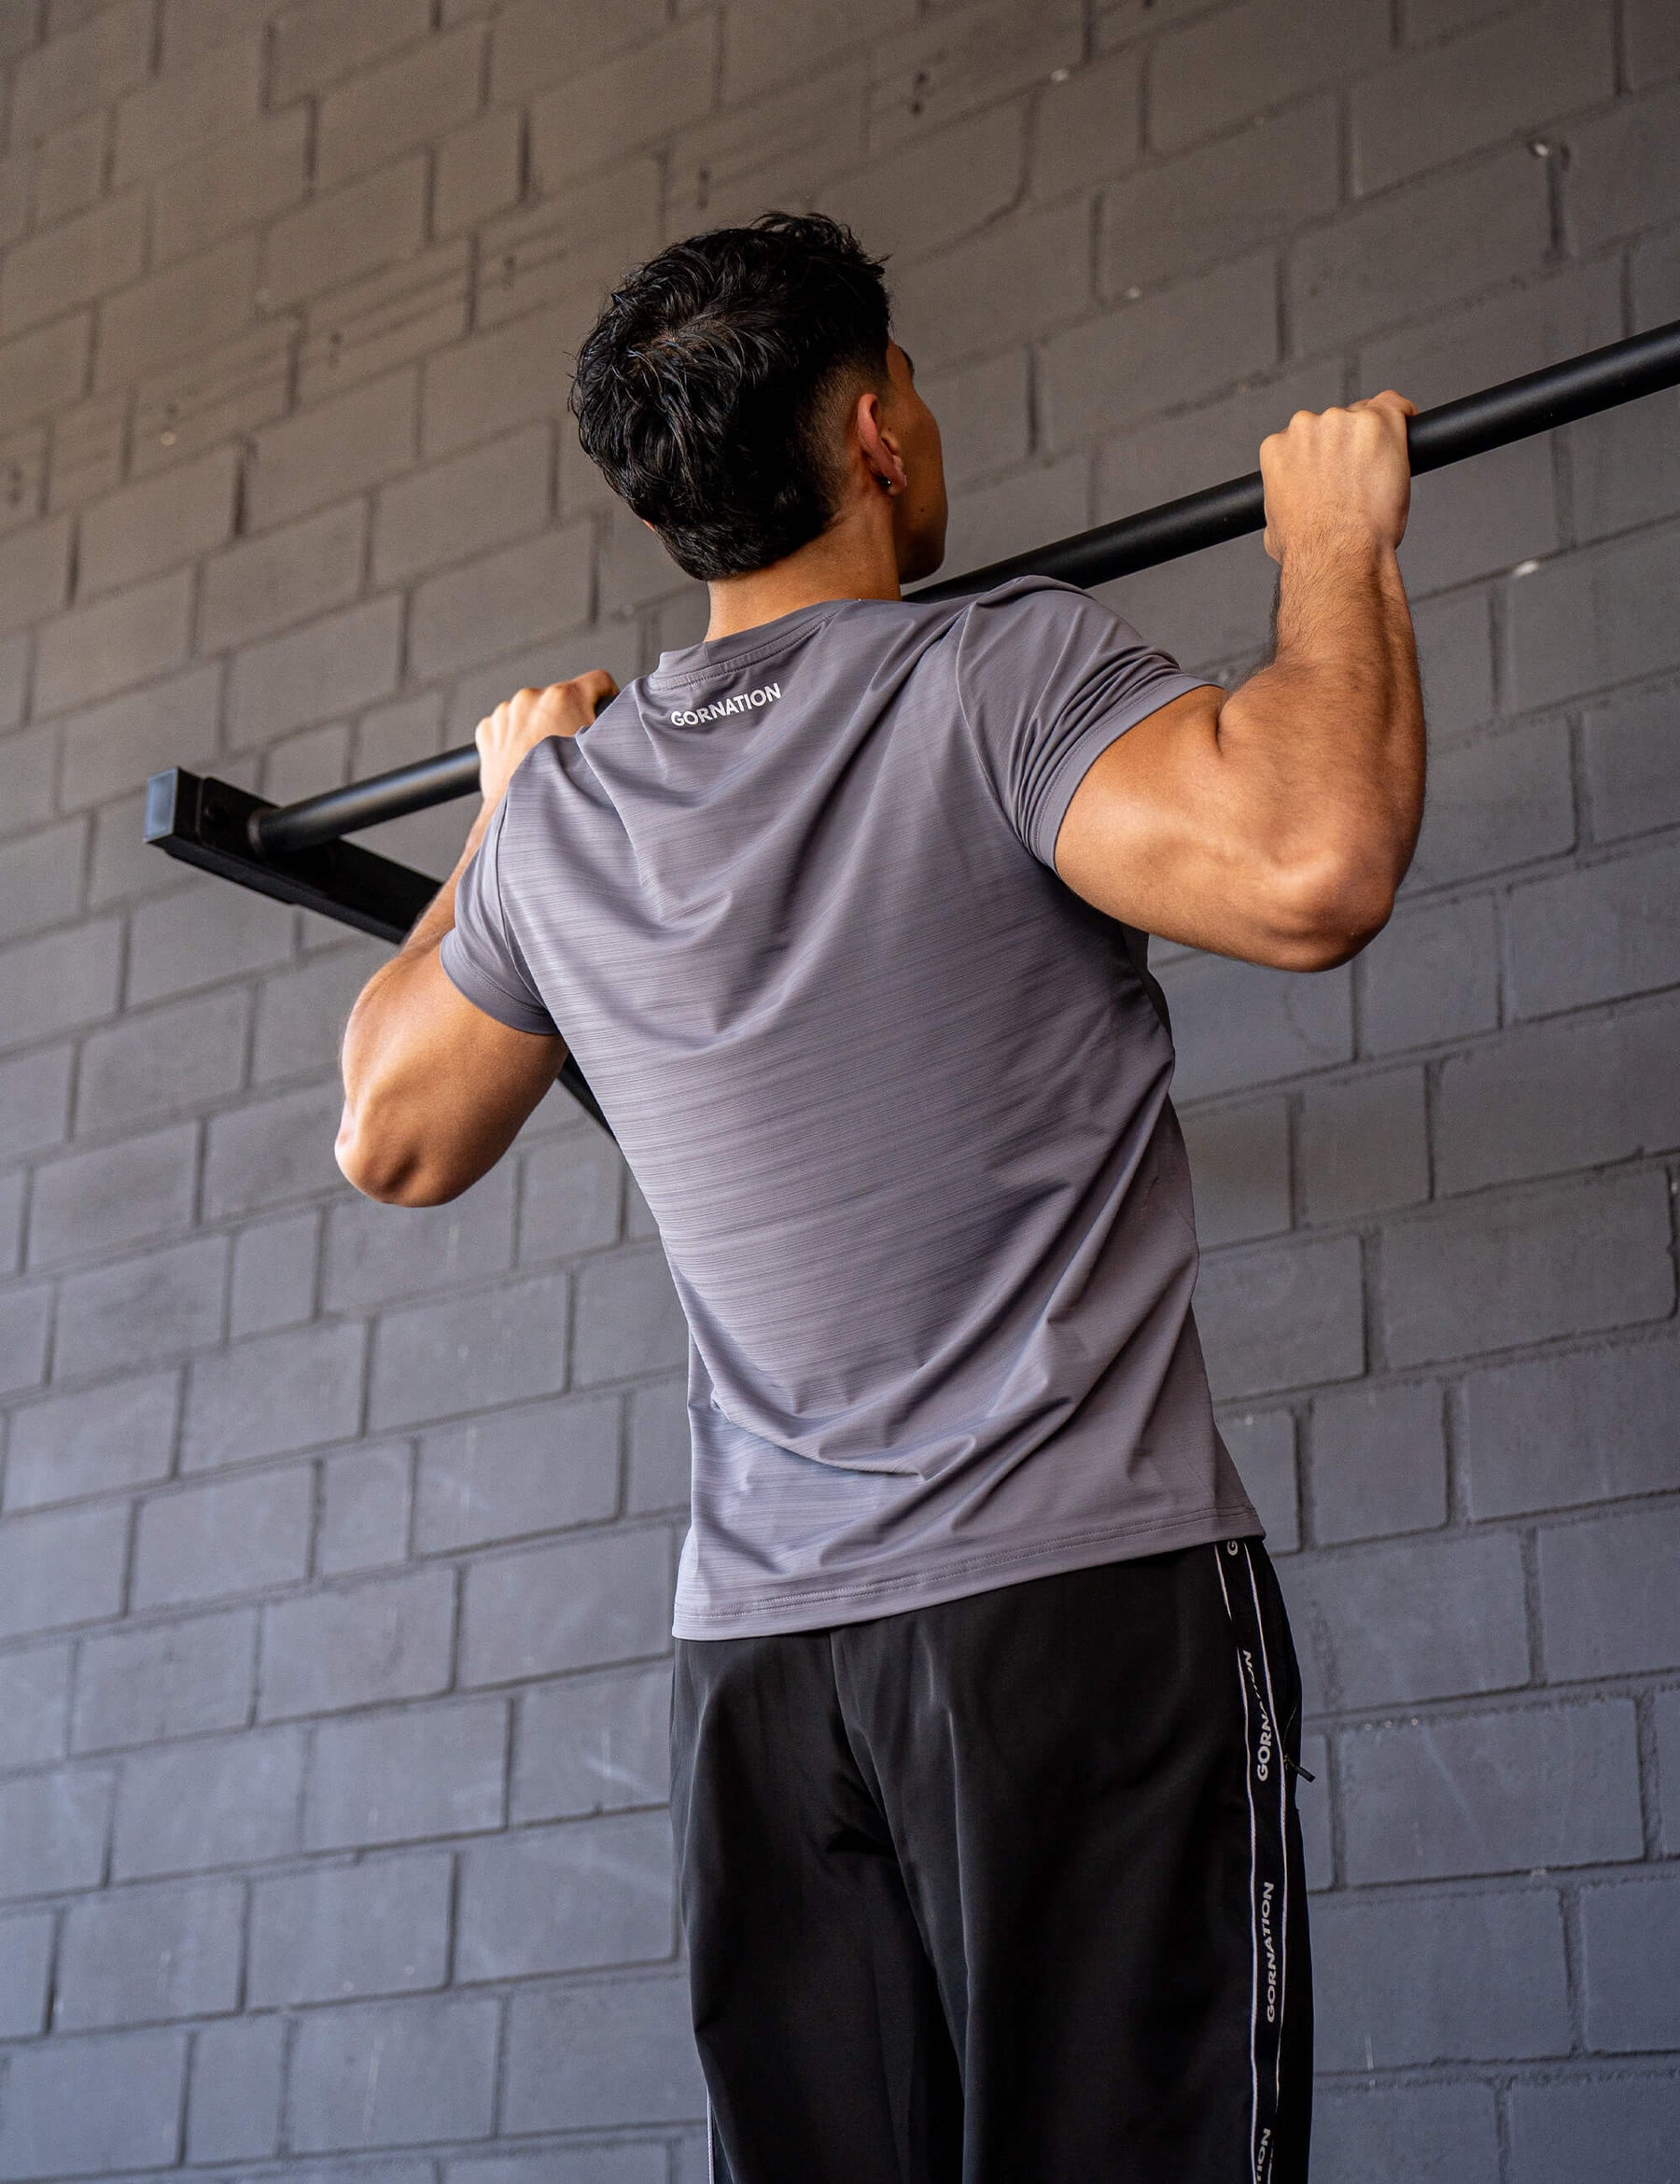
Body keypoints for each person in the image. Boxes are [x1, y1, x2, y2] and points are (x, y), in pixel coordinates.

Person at [335, 212, 1423, 2184]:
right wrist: (1331, 541)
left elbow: (389, 1134)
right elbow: (1310, 865)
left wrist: (504, 812)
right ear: (879, 437)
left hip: (762, 1679)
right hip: (1073, 1624)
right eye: (906, 381)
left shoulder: (572, 820)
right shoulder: (996, 678)